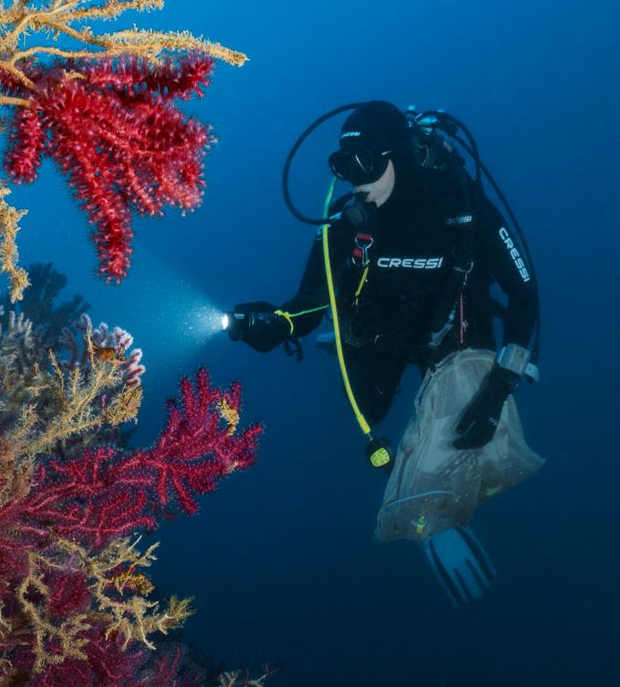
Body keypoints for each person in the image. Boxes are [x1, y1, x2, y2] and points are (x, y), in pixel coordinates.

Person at [227, 101, 542, 607]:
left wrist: (499, 388)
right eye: (344, 167)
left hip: (456, 340)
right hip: (384, 336)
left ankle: (434, 518)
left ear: (399, 156)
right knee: (369, 410)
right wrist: (273, 325)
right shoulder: (345, 225)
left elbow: (525, 296)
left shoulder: (461, 205)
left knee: (468, 427)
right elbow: (310, 303)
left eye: (368, 165)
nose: (356, 182)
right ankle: (425, 506)